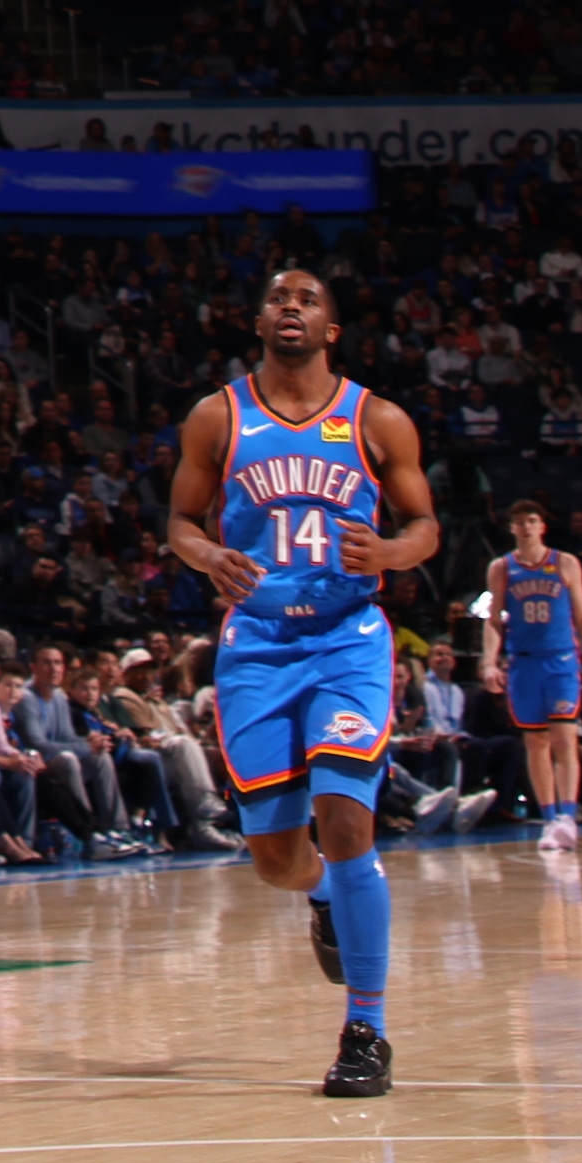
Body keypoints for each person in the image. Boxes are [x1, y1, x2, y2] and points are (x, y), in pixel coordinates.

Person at [167, 266, 438, 1102]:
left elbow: (425, 524)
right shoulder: (218, 415)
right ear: (258, 319)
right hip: (257, 648)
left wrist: (392, 553)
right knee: (277, 857)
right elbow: (179, 520)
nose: (291, 305)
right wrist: (207, 553)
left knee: (347, 818)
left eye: (308, 299)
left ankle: (367, 1029)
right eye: (279, 296)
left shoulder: (376, 417)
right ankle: (321, 894)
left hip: (347, 641)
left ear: (331, 330)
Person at [480, 502, 582, 856]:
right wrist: (489, 662)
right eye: (519, 522)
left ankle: (567, 817)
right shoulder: (501, 568)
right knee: (535, 743)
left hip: (561, 661)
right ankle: (549, 818)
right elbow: (492, 619)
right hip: (523, 664)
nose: (527, 527)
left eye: (532, 521)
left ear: (543, 526)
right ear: (512, 528)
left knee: (564, 738)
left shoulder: (565, 563)